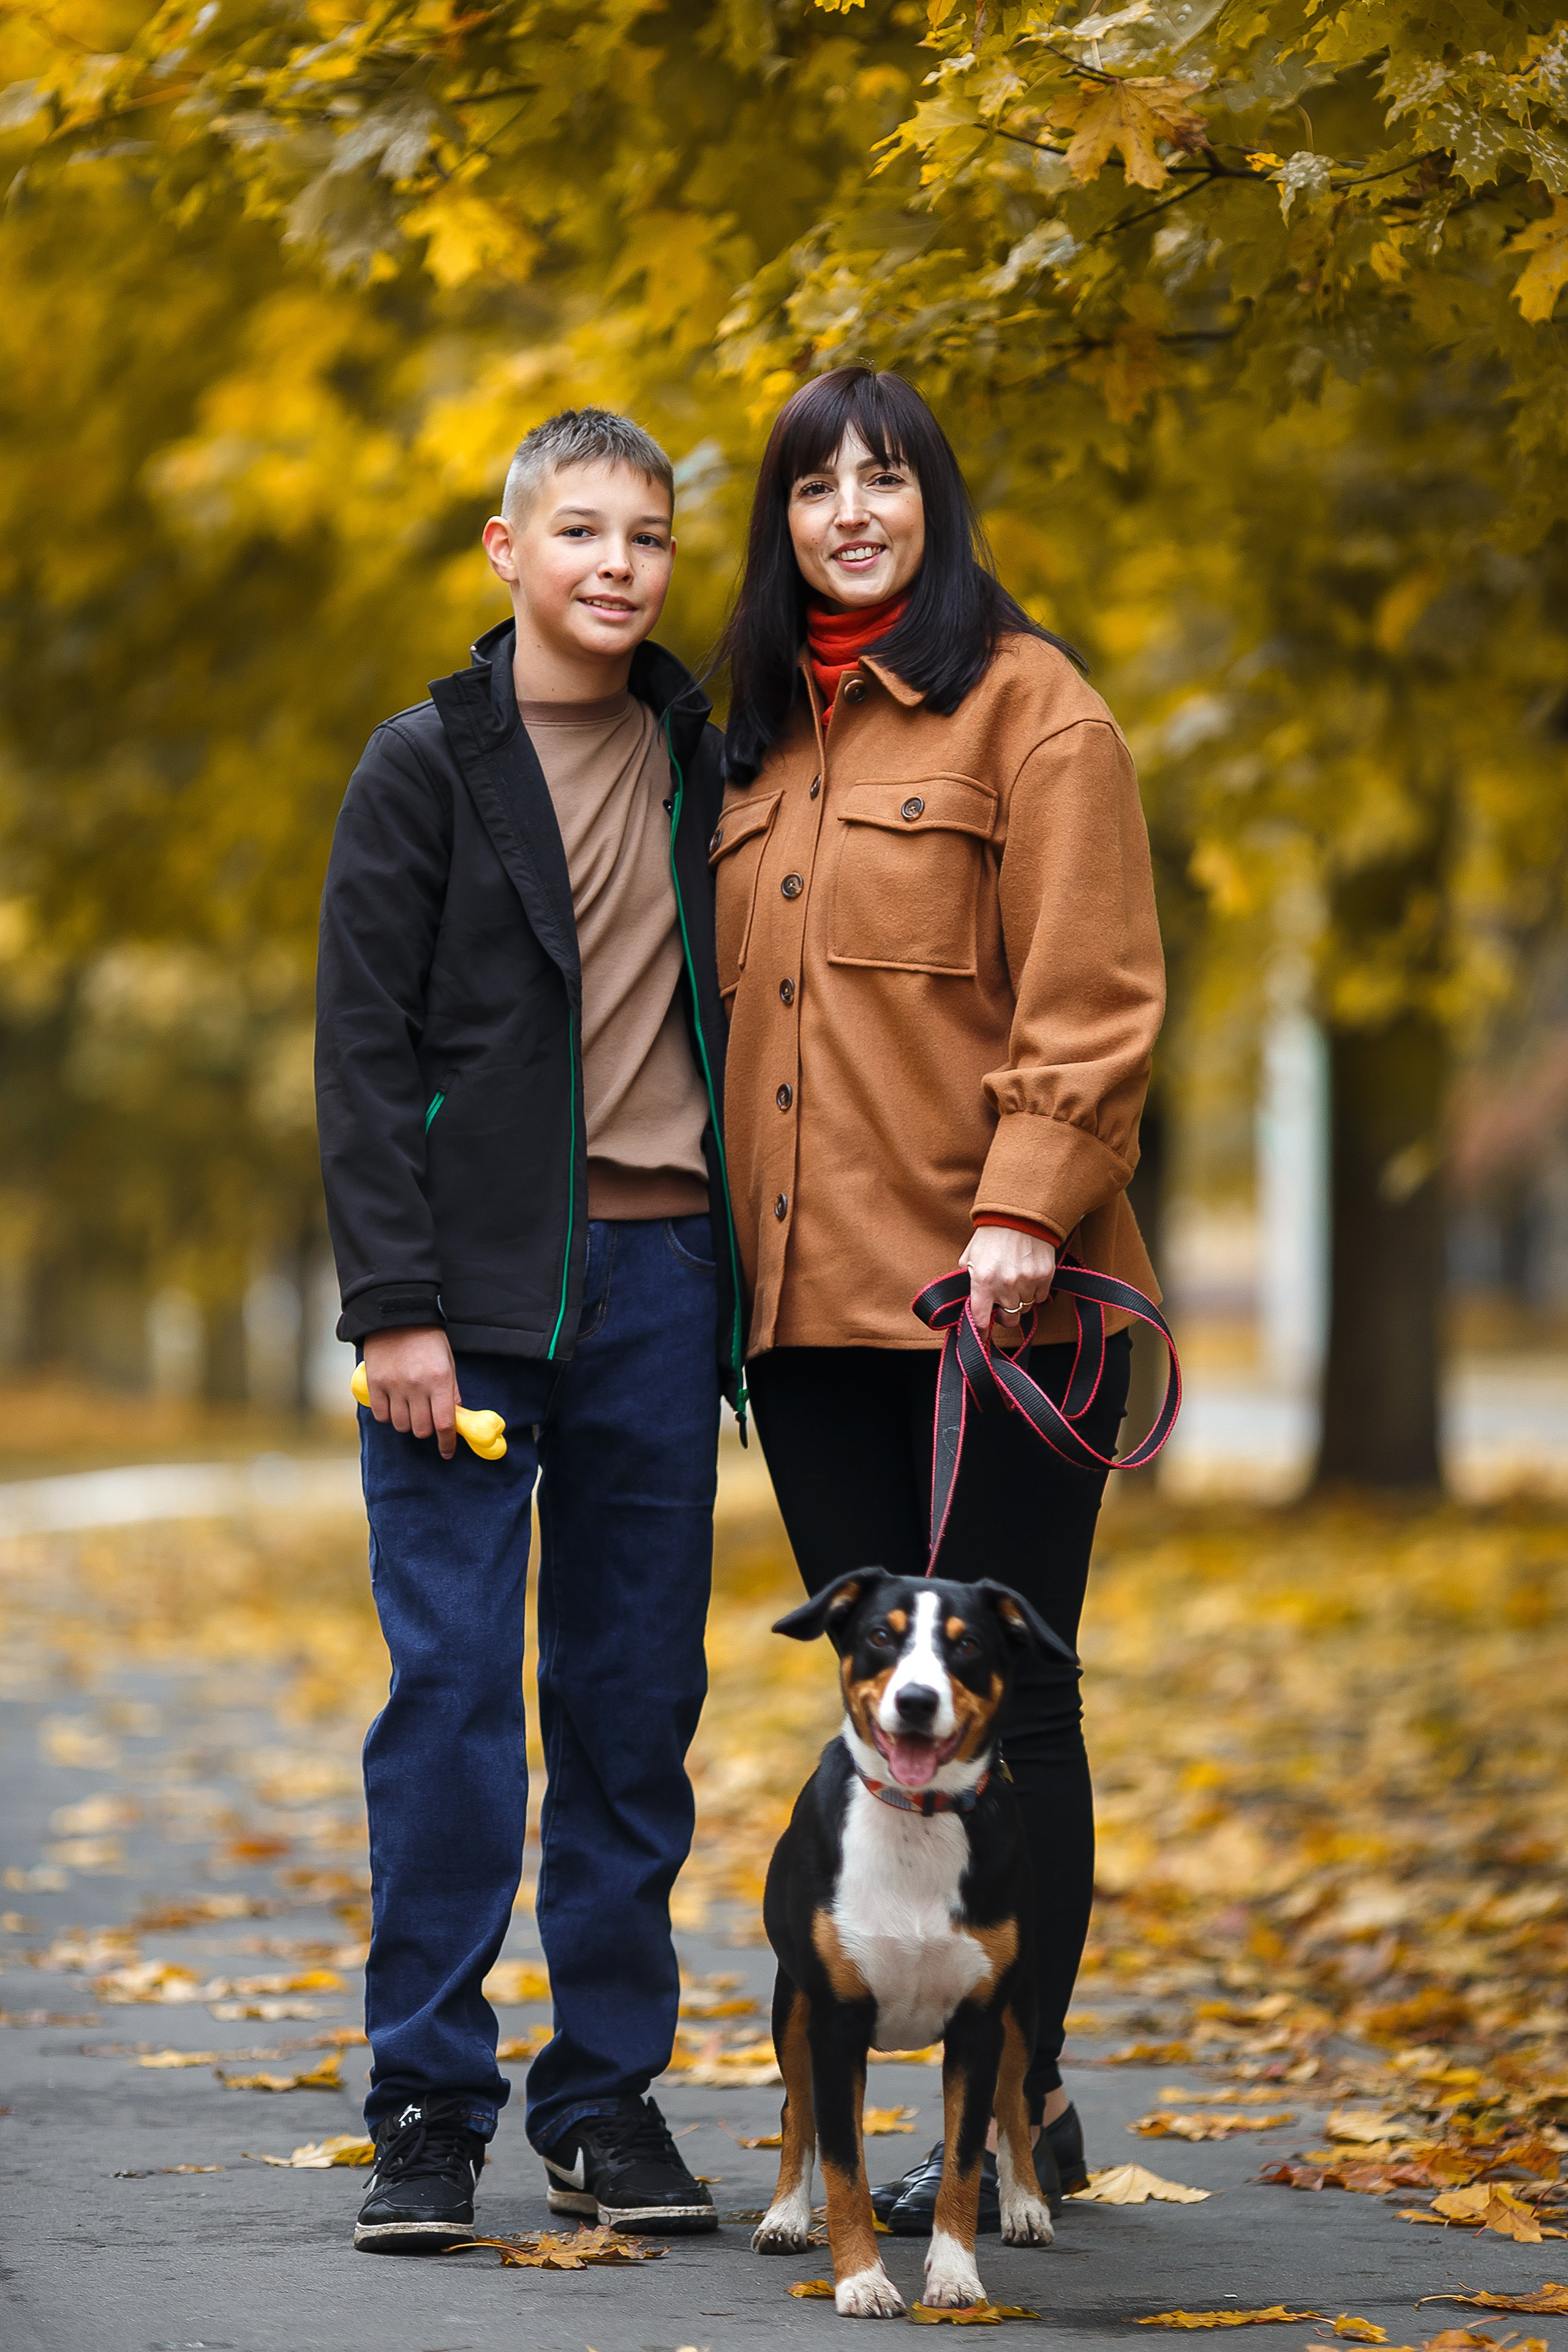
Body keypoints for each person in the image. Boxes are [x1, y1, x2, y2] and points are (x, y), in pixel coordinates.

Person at [710, 365, 1164, 2226]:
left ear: (933, 503)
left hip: (1001, 1303)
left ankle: (1016, 2102)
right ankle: (908, 2102)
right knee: (875, 1702)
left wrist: (1030, 1208)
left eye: (884, 481)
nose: (851, 513)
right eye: (816, 488)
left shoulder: (1032, 709)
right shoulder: (743, 743)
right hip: (811, 1321)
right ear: (783, 523)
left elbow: (1096, 985)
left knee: (1013, 1704)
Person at [315, 407, 744, 2252]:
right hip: (470, 1314)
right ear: (508, 551)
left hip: (664, 1289)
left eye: (647, 535)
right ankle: (427, 2098)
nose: (619, 564)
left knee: (636, 1707)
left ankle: (605, 2100)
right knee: (454, 1702)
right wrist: (395, 1312)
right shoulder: (424, 763)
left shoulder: (714, 758)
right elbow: (360, 1054)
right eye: (581, 530)